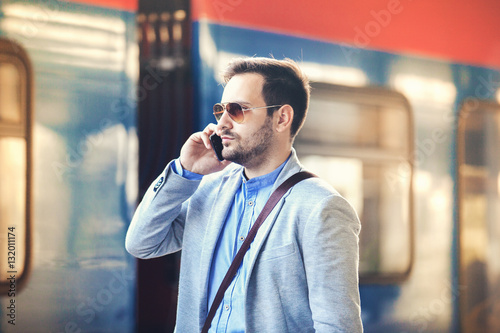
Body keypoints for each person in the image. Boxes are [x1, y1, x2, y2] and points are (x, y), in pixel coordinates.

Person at [126, 57, 363, 332]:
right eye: (221, 110)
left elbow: (337, 326)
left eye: (237, 110)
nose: (222, 123)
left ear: (281, 118)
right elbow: (142, 243)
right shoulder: (208, 189)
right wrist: (184, 171)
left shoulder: (321, 208)